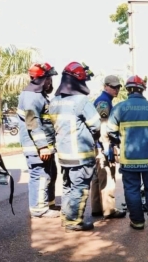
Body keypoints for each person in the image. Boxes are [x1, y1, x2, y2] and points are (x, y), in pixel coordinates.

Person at [107, 75, 148, 230]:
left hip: (129, 160)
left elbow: (111, 132)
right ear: (142, 90)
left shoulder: (119, 108)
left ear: (127, 90)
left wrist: (121, 143)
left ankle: (137, 221)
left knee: (132, 190)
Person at [49, 62, 101, 232]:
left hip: (64, 155)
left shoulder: (55, 101)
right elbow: (96, 125)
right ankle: (74, 222)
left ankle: (66, 217)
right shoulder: (81, 100)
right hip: (81, 154)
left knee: (67, 187)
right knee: (80, 187)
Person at [17, 63, 59, 218]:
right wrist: (42, 146)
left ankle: (49, 203)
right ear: (41, 78)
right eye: (48, 78)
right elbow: (32, 122)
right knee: (40, 175)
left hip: (45, 146)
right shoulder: (31, 96)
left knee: (50, 174)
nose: (50, 82)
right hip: (36, 147)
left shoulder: (38, 94)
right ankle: (38, 209)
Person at [90, 75, 126, 219]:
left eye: (118, 87)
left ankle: (97, 208)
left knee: (98, 178)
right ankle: (109, 210)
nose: (116, 89)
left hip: (97, 145)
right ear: (106, 86)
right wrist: (107, 147)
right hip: (102, 145)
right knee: (108, 177)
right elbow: (103, 126)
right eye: (113, 87)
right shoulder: (104, 102)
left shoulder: (104, 100)